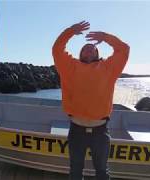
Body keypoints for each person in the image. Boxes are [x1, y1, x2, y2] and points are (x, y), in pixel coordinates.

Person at [52, 21, 130, 180]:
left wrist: (106, 37)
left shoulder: (109, 67)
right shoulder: (69, 66)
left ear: (97, 53)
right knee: (75, 170)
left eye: (92, 48)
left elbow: (124, 49)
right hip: (76, 129)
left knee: (102, 171)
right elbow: (57, 49)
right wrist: (70, 32)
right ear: (80, 54)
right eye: (85, 48)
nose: (88, 49)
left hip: (100, 130)